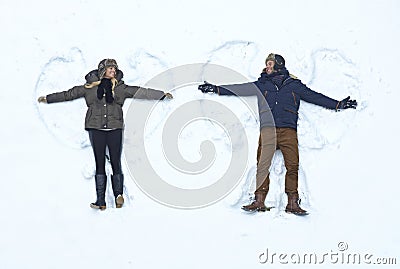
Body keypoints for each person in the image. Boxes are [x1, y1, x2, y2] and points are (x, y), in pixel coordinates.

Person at [198, 53, 357, 215]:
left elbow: (315, 97)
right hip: (268, 130)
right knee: (262, 165)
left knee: (292, 166)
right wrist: (216, 89)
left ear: (278, 65)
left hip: (288, 131)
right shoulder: (262, 84)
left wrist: (338, 104)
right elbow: (240, 88)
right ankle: (259, 200)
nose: (267, 66)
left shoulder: (294, 85)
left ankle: (292, 203)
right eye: (267, 64)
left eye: (270, 64)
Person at [38, 59, 173, 210]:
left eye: (114, 69)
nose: (113, 71)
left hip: (114, 129)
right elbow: (68, 94)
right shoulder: (89, 88)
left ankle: (118, 195)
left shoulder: (121, 88)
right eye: (110, 69)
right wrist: (48, 98)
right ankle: (101, 200)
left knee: (115, 162)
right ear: (102, 70)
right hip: (96, 129)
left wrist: (161, 95)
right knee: (100, 163)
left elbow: (140, 92)